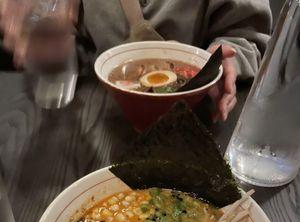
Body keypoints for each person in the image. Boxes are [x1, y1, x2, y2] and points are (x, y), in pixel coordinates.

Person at [0, 0, 272, 122]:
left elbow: (246, 36)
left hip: (200, 114)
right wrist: (50, 43)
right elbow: (78, 44)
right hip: (108, 119)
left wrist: (225, 58)